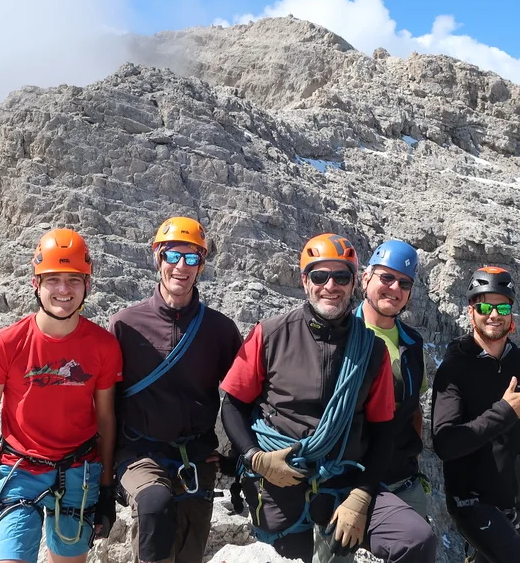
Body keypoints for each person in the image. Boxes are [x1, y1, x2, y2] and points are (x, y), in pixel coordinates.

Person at [220, 233, 438, 563]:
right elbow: (232, 404)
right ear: (305, 280)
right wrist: (254, 458)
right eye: (320, 276)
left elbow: (382, 432)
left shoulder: (372, 350)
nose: (330, 285)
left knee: (416, 539)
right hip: (280, 479)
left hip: (345, 482)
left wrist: (362, 496)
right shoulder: (270, 334)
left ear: (354, 283)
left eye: (341, 276)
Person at [0, 228, 123, 563]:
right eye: (53, 279)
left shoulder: (104, 347)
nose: (63, 290)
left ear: (87, 286)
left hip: (79, 471)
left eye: (74, 280)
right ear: (36, 284)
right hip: (21, 471)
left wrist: (106, 488)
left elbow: (106, 419)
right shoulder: (5, 345)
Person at [107, 216, 244, 563]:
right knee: (154, 505)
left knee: (188, 552)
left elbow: (243, 396)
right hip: (140, 453)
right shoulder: (126, 325)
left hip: (196, 458)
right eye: (172, 256)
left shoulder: (220, 330)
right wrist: (102, 468)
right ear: (158, 259)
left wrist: (235, 458)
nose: (181, 266)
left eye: (192, 258)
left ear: (201, 266)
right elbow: (105, 400)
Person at [314, 239, 432, 563]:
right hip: (344, 485)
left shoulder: (412, 343)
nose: (394, 288)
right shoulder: (340, 336)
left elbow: (414, 409)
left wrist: (413, 461)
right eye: (386, 278)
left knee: (418, 546)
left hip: (401, 482)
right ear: (366, 278)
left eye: (404, 283)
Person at [430, 266, 520, 563]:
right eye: (484, 306)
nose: (494, 315)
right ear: (471, 311)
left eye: (502, 306)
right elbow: (445, 443)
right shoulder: (454, 369)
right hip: (472, 501)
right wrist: (504, 412)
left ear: (512, 313)